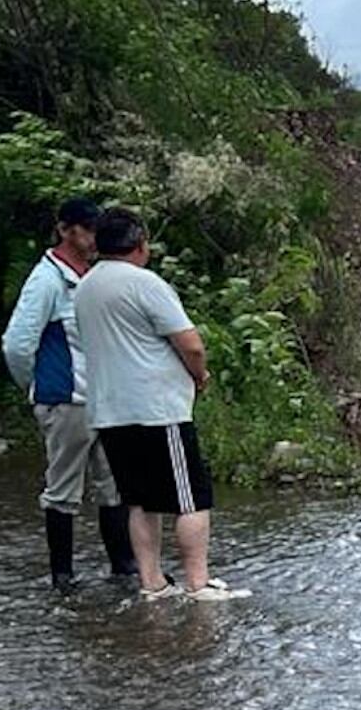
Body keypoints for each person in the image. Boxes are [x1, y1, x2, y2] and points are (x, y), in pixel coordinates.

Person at [73, 207, 246, 603]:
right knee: (192, 498)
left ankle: (152, 584)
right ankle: (198, 584)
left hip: (109, 410)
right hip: (157, 409)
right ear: (140, 244)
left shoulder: (86, 286)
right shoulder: (144, 283)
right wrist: (199, 376)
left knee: (139, 501)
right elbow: (191, 343)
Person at [0, 196, 138, 590]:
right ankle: (63, 576)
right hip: (65, 400)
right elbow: (17, 344)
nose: (95, 237)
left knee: (115, 485)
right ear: (65, 230)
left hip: (103, 399)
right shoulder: (47, 281)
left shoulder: (90, 275)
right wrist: (38, 387)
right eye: (88, 229)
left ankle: (123, 567)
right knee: (63, 489)